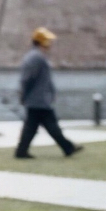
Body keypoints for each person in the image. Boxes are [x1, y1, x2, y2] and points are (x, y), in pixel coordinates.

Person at [14, 28, 83, 159]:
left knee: (32, 127)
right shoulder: (36, 57)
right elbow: (27, 79)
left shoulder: (36, 56)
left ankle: (22, 151)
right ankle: (67, 147)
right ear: (42, 42)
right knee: (50, 126)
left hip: (37, 99)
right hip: (38, 99)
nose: (50, 44)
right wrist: (23, 95)